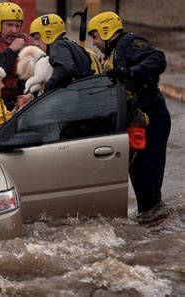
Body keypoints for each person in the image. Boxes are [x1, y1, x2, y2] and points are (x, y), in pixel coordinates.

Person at [87, 11, 171, 215]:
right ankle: (149, 224)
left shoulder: (128, 43)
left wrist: (130, 72)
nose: (94, 43)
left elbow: (158, 59)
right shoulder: (111, 53)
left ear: (106, 31)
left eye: (95, 36)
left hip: (153, 119)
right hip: (137, 123)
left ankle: (154, 228)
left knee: (148, 182)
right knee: (139, 180)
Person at [29, 14, 93, 93]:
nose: (35, 43)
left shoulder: (57, 45)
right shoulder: (70, 45)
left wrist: (47, 90)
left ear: (48, 35)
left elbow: (64, 69)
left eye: (37, 38)